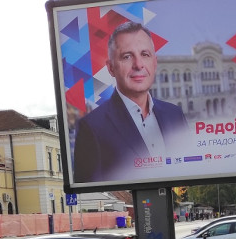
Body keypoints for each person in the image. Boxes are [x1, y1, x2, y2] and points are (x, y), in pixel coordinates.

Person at [73, 21, 190, 183]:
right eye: (127, 56)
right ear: (111, 67)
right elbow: (89, 193)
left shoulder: (175, 114)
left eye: (145, 55)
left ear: (154, 63)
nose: (138, 65)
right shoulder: (91, 127)